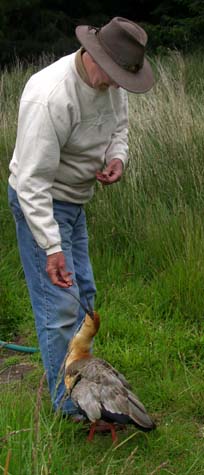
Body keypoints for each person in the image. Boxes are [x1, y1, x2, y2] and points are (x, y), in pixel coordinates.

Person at [8, 16, 154, 417]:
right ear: (92, 54)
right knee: (59, 310)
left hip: (75, 201)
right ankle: (66, 404)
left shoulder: (113, 80)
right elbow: (31, 184)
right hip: (41, 203)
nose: (114, 85)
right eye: (110, 75)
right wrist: (51, 247)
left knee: (84, 298)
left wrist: (116, 158)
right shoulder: (50, 95)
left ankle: (89, 390)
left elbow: (118, 127)